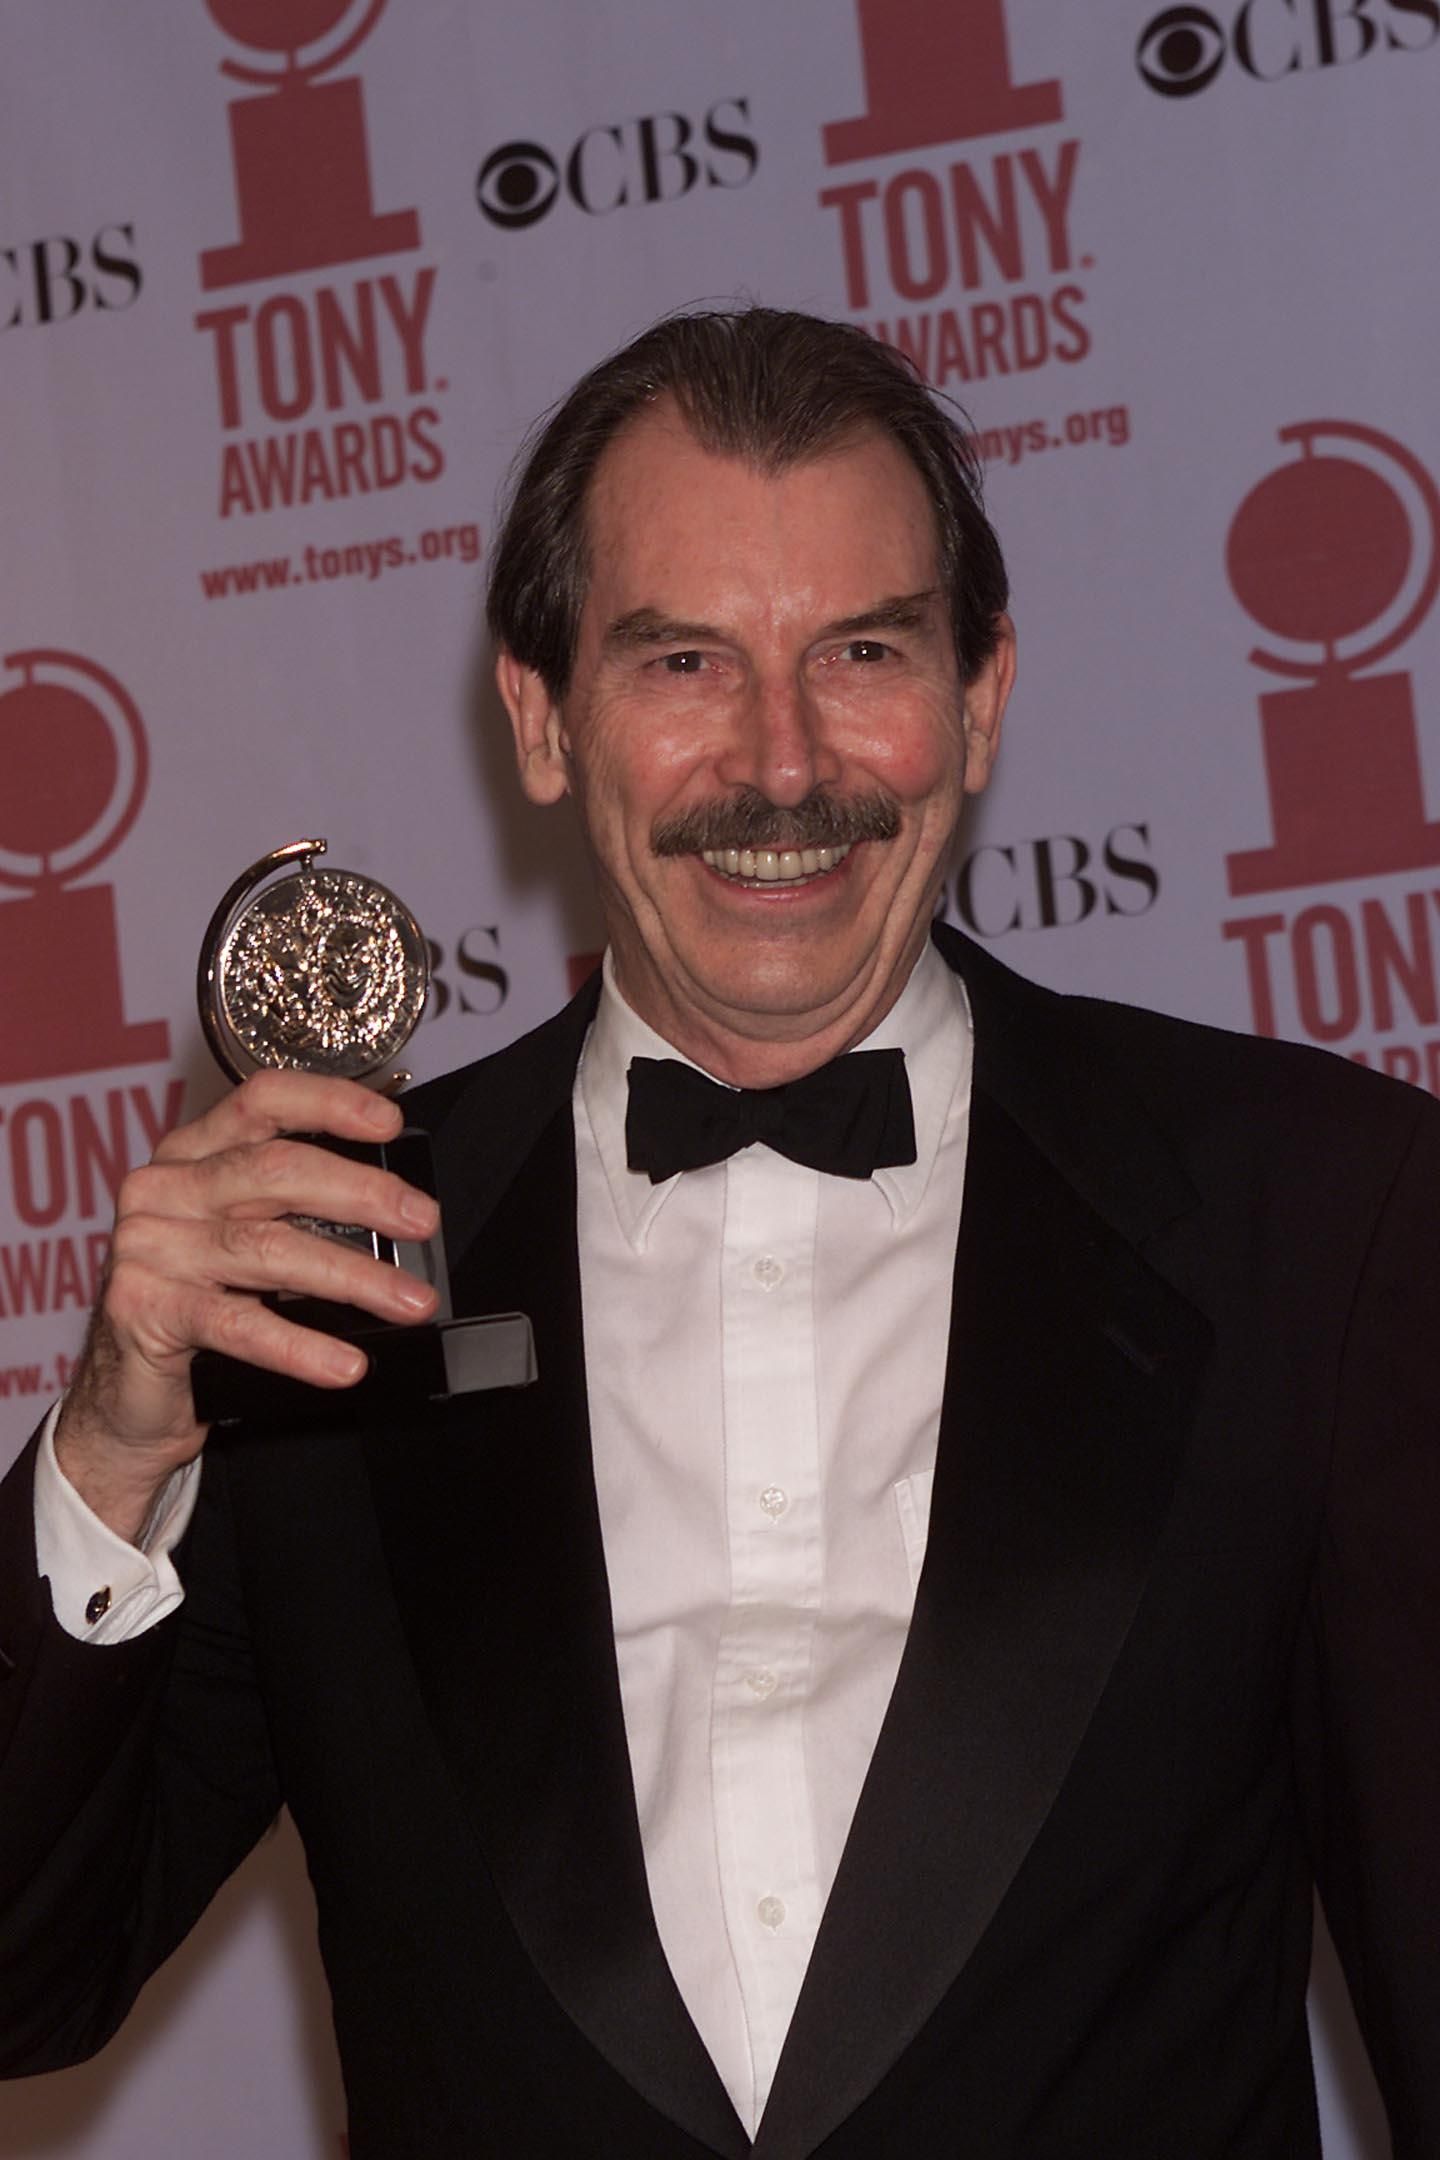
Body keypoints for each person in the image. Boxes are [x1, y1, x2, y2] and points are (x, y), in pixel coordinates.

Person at [1, 306, 1437, 2159]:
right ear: (543, 719)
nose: (780, 764)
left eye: (862, 651)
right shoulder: (327, 1266)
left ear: (982, 696)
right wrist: (113, 1452)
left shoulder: (1318, 1217)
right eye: (684, 660)